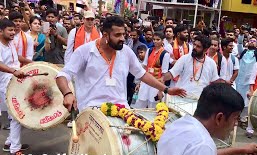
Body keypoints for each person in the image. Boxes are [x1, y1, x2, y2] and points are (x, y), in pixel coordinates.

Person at [56, 16, 186, 112]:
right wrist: (68, 93)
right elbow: (62, 75)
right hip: (91, 111)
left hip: (121, 110)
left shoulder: (126, 52)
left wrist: (167, 90)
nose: (123, 38)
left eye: (124, 34)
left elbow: (142, 74)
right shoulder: (85, 51)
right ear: (105, 35)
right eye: (117, 35)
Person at [157, 83, 257, 155]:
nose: (235, 124)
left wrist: (242, 150)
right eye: (235, 118)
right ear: (219, 118)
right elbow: (202, 153)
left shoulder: (178, 125)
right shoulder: (202, 145)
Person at [0, 19, 29, 155]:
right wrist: (13, 71)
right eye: (10, 30)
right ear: (1, 31)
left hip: (15, 81)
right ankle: (14, 151)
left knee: (18, 115)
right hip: (5, 84)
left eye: (14, 30)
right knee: (17, 116)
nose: (13, 32)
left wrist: (31, 63)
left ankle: (9, 143)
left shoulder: (10, 43)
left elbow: (16, 58)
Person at [134, 32, 170, 108]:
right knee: (140, 101)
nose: (155, 41)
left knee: (153, 104)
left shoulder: (165, 54)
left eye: (158, 39)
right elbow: (144, 67)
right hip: (146, 81)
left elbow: (164, 74)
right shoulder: (149, 50)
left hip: (156, 82)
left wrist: (161, 90)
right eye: (154, 39)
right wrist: (139, 82)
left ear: (162, 40)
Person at [236, 28, 257, 110]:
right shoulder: (243, 52)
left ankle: (244, 118)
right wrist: (241, 35)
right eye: (250, 41)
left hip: (249, 81)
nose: (252, 42)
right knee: (238, 98)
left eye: (254, 41)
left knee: (248, 101)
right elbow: (239, 43)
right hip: (240, 81)